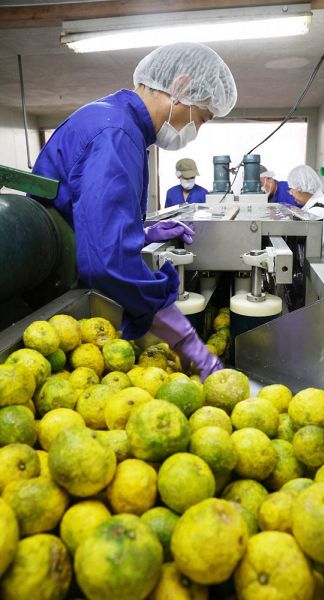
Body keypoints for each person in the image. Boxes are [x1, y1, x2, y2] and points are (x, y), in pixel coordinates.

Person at [31, 42, 237, 380]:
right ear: (181, 88)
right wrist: (186, 340)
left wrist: (140, 232)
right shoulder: (117, 134)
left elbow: (82, 215)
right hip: (55, 296)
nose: (196, 131)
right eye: (201, 118)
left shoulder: (114, 121)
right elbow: (108, 263)